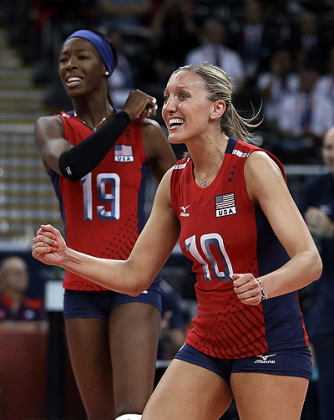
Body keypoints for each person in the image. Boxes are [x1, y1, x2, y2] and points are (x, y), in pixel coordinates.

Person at [32, 62, 322, 420]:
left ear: (217, 108)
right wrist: (66, 256)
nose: (170, 106)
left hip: (268, 342)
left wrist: (264, 286)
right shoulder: (174, 181)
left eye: (183, 96)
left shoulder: (253, 165)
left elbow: (310, 261)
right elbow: (135, 274)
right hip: (207, 344)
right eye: (168, 96)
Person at [33, 29, 176, 420]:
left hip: (134, 281)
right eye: (64, 59)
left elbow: (184, 202)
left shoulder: (147, 132)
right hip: (80, 286)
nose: (70, 66)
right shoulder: (52, 127)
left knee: (131, 414)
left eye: (82, 57)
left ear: (107, 67)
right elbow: (72, 165)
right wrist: (122, 117)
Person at [299, 126, 334, 420]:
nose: (331, 154)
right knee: (326, 386)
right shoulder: (315, 189)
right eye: (327, 147)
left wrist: (331, 230)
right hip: (328, 298)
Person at [0, 256, 48, 330]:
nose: (22, 276)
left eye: (25, 272)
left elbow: (45, 327)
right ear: (3, 277)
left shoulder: (35, 305)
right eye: (16, 273)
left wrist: (11, 326)